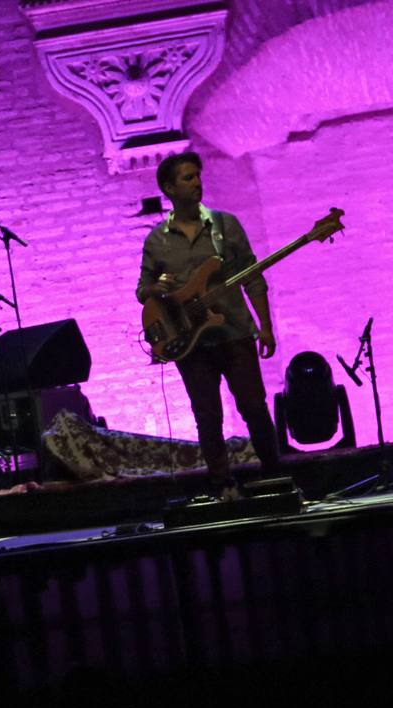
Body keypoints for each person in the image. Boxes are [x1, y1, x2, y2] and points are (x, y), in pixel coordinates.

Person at [137, 151, 281, 497]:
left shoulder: (224, 225)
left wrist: (265, 325)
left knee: (253, 407)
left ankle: (275, 473)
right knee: (207, 415)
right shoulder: (157, 240)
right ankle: (222, 483)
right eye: (187, 178)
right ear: (169, 187)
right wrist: (155, 288)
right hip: (191, 342)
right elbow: (142, 290)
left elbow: (253, 277)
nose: (197, 182)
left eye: (198, 176)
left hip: (233, 332)